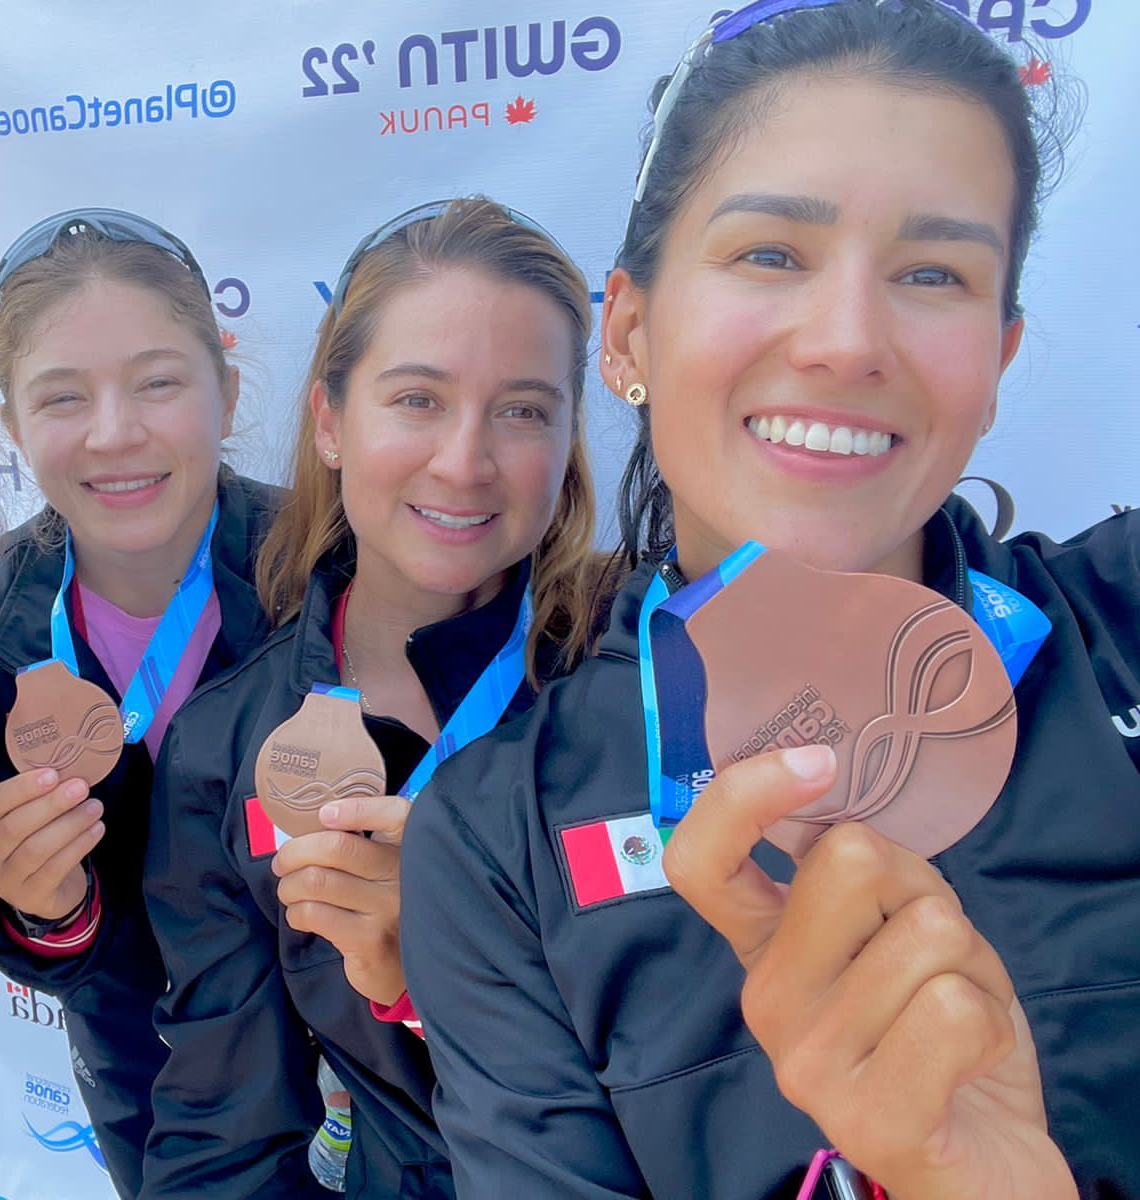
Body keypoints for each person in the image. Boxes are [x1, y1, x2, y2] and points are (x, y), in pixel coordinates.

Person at [399, 3, 1133, 1198]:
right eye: (771, 255)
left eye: (932, 273)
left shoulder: (1124, 628)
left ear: (996, 365)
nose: (846, 341)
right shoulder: (496, 843)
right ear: (628, 334)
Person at [140, 198, 613, 1197]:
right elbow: (225, 1131)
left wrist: (444, 970)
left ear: (569, 436)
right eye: (417, 399)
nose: (465, 461)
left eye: (523, 410)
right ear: (330, 422)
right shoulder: (228, 746)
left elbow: (713, 1072)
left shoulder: (643, 681)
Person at [0, 208, 282, 1198]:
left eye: (157, 383)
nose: (114, 433)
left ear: (226, 392)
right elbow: (23, 937)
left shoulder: (331, 570)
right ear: (13, 426)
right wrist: (46, 907)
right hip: (147, 1077)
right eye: (63, 397)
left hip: (351, 1054)